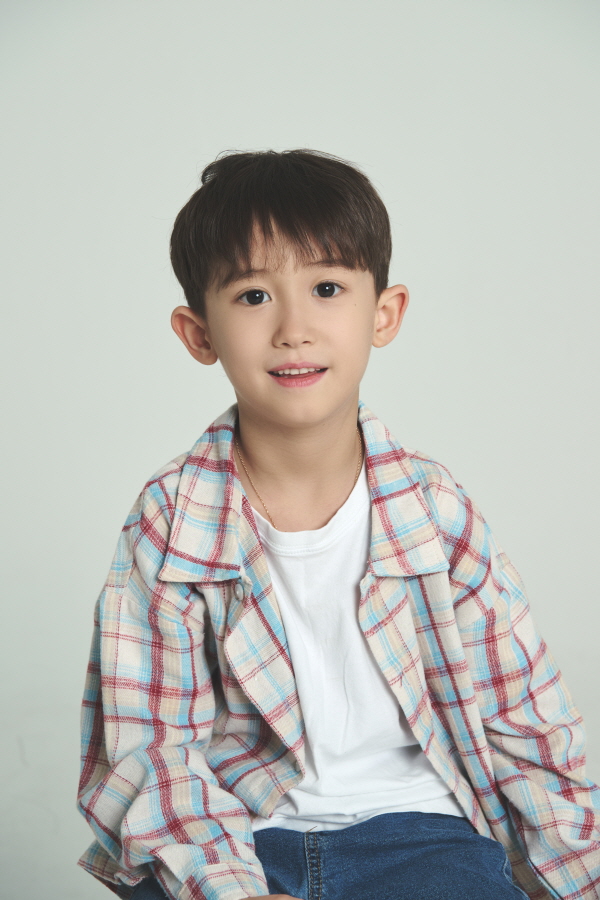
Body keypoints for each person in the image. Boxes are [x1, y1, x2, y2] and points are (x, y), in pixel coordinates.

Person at [77, 150, 600, 900]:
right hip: (239, 835)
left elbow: (525, 721)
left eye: (327, 289)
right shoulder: (170, 521)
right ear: (199, 334)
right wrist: (230, 889)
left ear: (383, 314)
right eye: (253, 296)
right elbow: (150, 751)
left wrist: (578, 878)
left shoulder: (434, 510)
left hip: (423, 837)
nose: (293, 329)